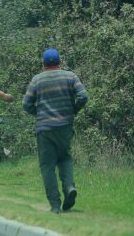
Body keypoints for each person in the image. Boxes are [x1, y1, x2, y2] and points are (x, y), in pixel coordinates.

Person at [23, 48, 88, 214]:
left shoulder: (37, 80)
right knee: (65, 158)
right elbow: (83, 96)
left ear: (44, 64)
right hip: (65, 126)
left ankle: (55, 204)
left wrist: (38, 113)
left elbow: (26, 104)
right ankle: (69, 186)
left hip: (44, 128)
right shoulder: (70, 76)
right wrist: (73, 110)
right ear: (59, 62)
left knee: (47, 166)